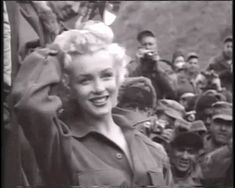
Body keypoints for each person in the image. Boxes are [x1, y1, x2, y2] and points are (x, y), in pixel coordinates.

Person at [12, 21, 173, 187]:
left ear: (118, 78)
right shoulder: (61, 145)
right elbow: (29, 103)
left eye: (106, 76)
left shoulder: (153, 149)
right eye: (85, 80)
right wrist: (58, 50)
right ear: (70, 88)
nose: (98, 88)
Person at [127, 30, 176, 99]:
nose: (147, 47)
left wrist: (156, 68)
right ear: (139, 48)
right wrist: (140, 64)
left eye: (150, 44)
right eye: (144, 44)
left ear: (156, 47)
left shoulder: (164, 66)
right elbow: (128, 86)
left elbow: (172, 90)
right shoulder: (132, 66)